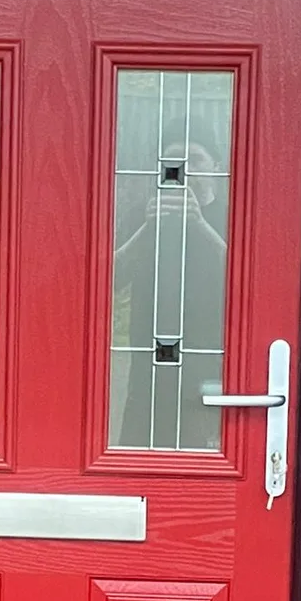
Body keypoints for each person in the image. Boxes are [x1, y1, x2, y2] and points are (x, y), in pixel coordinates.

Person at [112, 138, 228, 450]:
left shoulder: (232, 214)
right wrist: (148, 227)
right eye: (174, 161)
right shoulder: (144, 214)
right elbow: (110, 280)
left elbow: (247, 280)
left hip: (213, 352)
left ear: (216, 167)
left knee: (203, 444)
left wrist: (201, 224)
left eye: (195, 160)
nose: (185, 170)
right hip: (148, 355)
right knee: (141, 443)